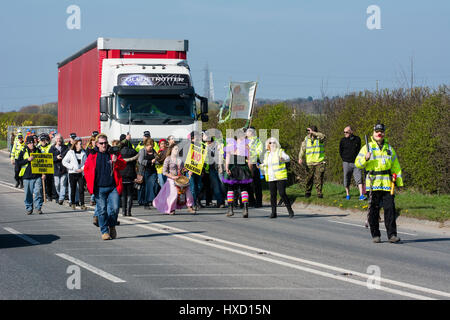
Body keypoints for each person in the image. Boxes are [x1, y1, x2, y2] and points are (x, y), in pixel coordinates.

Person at [355, 123, 403, 243]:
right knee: (374, 211)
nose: (379, 133)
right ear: (373, 133)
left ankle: (392, 235)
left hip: (387, 184)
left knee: (390, 210)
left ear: (384, 133)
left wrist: (398, 181)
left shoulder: (389, 148)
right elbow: (357, 163)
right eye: (377, 131)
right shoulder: (367, 147)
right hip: (373, 184)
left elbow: (396, 166)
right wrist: (365, 158)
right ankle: (375, 235)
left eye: (381, 131)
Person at [84, 133, 126, 240]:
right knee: (102, 210)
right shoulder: (92, 155)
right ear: (97, 144)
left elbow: (123, 165)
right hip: (99, 188)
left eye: (105, 143)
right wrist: (90, 185)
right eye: (101, 143)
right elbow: (87, 170)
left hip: (113, 187)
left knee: (115, 208)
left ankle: (112, 226)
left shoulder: (112, 153)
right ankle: (104, 231)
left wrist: (116, 161)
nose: (104, 145)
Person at [153, 144, 195, 214]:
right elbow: (164, 172)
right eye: (175, 149)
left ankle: (190, 207)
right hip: (171, 179)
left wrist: (189, 171)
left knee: (188, 192)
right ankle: (171, 209)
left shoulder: (180, 159)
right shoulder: (168, 159)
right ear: (171, 150)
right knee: (174, 193)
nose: (177, 150)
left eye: (177, 149)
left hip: (180, 179)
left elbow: (184, 168)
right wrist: (172, 177)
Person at [222, 129, 253, 218]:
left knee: (230, 189)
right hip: (242, 167)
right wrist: (250, 171)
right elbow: (249, 160)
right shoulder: (246, 146)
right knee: (243, 189)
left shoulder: (230, 144)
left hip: (232, 167)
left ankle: (230, 209)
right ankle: (245, 209)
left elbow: (227, 157)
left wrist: (227, 167)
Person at [261, 137, 294, 218]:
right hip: (271, 177)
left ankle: (290, 210)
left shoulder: (280, 151)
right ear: (267, 145)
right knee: (273, 195)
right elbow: (266, 164)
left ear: (276, 144)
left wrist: (283, 159)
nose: (272, 144)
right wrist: (260, 166)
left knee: (282, 193)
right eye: (270, 143)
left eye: (273, 142)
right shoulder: (267, 154)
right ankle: (273, 213)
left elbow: (287, 158)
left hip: (280, 176)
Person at [16, 136, 45, 215]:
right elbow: (18, 163)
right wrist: (27, 160)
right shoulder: (23, 151)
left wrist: (43, 173)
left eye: (32, 142)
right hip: (26, 176)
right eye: (30, 143)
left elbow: (43, 163)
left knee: (38, 192)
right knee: (28, 194)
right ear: (27, 144)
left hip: (37, 176)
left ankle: (38, 208)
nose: (32, 144)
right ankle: (29, 208)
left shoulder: (38, 150)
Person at [298, 126, 326, 198]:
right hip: (310, 163)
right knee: (309, 178)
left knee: (319, 178)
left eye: (310, 131)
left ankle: (319, 193)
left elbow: (323, 136)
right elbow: (302, 149)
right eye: (308, 131)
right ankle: (308, 192)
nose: (309, 132)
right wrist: (300, 157)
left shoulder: (319, 138)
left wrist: (314, 133)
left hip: (319, 162)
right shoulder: (306, 139)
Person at [339, 126, 366, 200]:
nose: (345, 133)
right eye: (344, 132)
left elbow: (359, 150)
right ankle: (348, 194)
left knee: (359, 178)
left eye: (347, 132)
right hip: (346, 162)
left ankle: (361, 195)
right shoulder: (342, 140)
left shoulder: (357, 139)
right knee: (346, 178)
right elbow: (340, 151)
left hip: (356, 162)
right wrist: (344, 159)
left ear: (351, 132)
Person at [62, 137, 87, 210]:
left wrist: (82, 169)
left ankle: (82, 204)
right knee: (73, 189)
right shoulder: (70, 152)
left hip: (80, 173)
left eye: (81, 143)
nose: (81, 145)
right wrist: (72, 167)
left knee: (81, 189)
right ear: (76, 144)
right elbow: (64, 161)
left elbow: (86, 163)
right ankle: (73, 203)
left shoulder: (83, 153)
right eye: (79, 143)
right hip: (72, 173)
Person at [118, 134, 138, 216]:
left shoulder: (119, 152)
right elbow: (136, 157)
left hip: (121, 174)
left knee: (123, 194)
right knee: (130, 194)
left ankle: (123, 211)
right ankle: (129, 211)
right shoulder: (132, 151)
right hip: (130, 174)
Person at [138, 138, 158, 209]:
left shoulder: (153, 151)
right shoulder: (142, 151)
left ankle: (151, 200)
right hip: (145, 171)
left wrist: (156, 160)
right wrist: (150, 162)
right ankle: (146, 203)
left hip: (153, 171)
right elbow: (140, 161)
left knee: (154, 185)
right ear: (146, 145)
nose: (151, 148)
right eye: (150, 146)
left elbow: (157, 159)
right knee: (147, 187)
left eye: (152, 146)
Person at [49, 133, 69, 205]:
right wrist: (56, 158)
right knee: (57, 185)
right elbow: (49, 159)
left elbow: (69, 157)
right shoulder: (52, 148)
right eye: (57, 139)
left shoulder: (66, 147)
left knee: (63, 184)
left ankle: (61, 198)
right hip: (55, 169)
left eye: (60, 138)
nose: (59, 140)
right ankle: (60, 195)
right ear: (55, 140)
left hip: (64, 169)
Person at [246, 127, 263, 208]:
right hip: (246, 164)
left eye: (248, 133)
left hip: (254, 164)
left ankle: (259, 202)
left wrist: (250, 153)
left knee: (256, 184)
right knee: (248, 184)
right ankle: (251, 201)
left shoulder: (257, 141)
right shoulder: (245, 141)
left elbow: (260, 151)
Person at [37, 133, 54, 201]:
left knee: (49, 182)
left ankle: (49, 195)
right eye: (42, 140)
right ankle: (42, 195)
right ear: (40, 141)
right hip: (40, 167)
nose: (43, 141)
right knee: (41, 182)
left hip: (48, 167)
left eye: (44, 140)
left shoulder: (50, 146)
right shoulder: (38, 148)